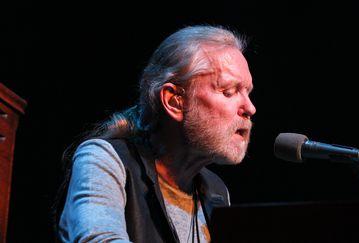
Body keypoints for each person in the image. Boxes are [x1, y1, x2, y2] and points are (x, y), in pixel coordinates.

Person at [55, 24, 256, 243]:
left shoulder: (216, 191)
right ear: (174, 101)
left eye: (248, 92)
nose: (250, 108)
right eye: (229, 92)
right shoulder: (104, 159)